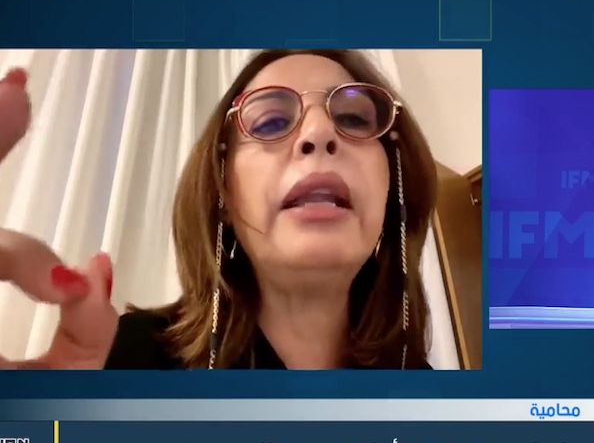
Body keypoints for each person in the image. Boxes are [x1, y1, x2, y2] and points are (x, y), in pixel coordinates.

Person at [0, 50, 438, 369]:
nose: (319, 132)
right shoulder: (130, 360)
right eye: (270, 122)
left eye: (355, 119)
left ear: (392, 189)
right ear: (222, 196)